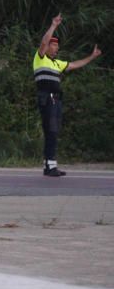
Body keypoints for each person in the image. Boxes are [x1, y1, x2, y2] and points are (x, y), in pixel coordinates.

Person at [34, 14, 102, 177]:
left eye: (57, 46)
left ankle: (49, 165)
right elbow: (43, 42)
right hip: (47, 97)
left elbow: (74, 64)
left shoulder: (57, 63)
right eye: (54, 46)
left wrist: (91, 57)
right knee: (51, 130)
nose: (57, 48)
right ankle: (50, 167)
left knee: (54, 131)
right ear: (48, 47)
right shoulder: (40, 57)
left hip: (56, 99)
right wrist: (53, 26)